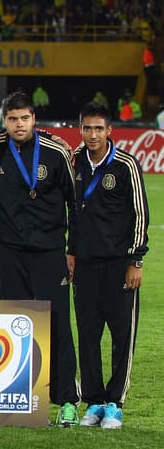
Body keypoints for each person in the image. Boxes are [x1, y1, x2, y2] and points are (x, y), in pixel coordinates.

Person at [0, 91, 79, 425]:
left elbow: (75, 205)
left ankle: (67, 401)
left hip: (49, 250)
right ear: (4, 122)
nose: (19, 125)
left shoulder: (56, 152)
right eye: (12, 119)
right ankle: (19, 401)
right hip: (9, 251)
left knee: (58, 322)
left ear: (34, 119)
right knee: (16, 326)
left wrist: (71, 250)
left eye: (25, 118)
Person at [70, 102, 149, 429]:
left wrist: (136, 260)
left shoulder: (126, 165)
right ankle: (94, 401)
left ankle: (115, 403)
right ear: (80, 129)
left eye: (98, 128)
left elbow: (141, 214)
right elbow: (71, 214)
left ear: (109, 131)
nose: (92, 135)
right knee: (88, 335)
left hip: (120, 265)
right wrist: (71, 252)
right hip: (85, 265)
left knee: (122, 336)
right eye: (87, 128)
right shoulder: (74, 162)